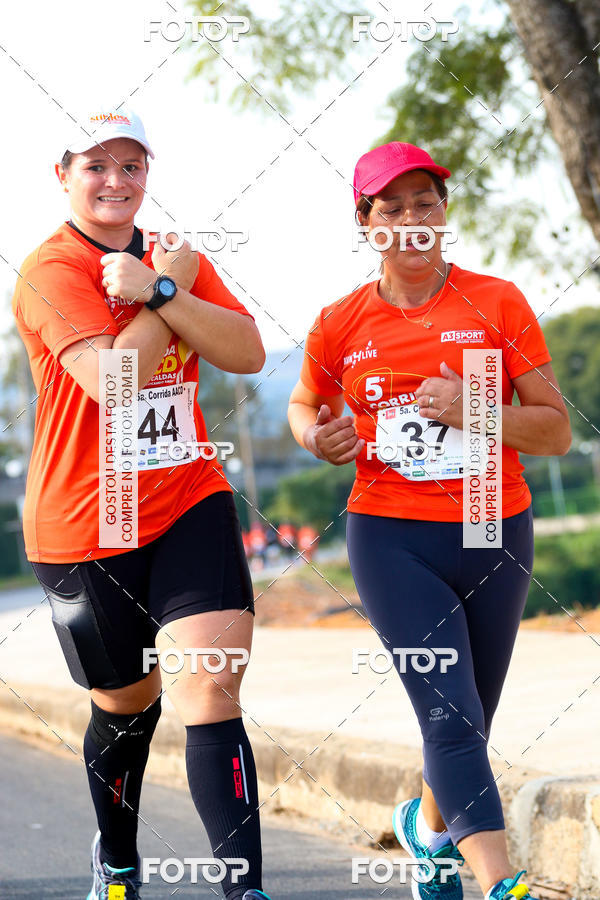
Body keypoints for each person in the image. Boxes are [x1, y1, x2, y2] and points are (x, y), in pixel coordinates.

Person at [288, 141, 571, 900]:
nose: (412, 219)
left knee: (470, 716)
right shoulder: (339, 322)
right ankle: (501, 883)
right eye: (392, 207)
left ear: (445, 213)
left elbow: (554, 431)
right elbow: (304, 402)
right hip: (391, 535)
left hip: (491, 523)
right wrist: (315, 437)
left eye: (426, 202)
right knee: (450, 713)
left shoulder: (499, 303)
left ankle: (429, 830)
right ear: (366, 223)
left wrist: (473, 408)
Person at [12, 106, 271, 900]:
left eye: (131, 165)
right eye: (96, 165)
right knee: (128, 707)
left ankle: (244, 889)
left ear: (147, 174)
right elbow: (114, 384)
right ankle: (118, 860)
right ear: (63, 175)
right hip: (84, 522)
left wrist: (162, 285)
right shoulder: (50, 269)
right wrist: (173, 294)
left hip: (186, 496)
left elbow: (248, 351)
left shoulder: (172, 257)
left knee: (210, 686)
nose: (115, 180)